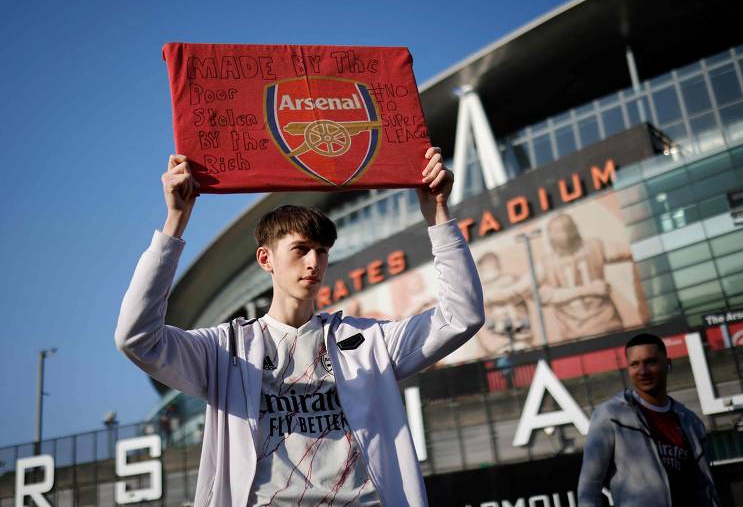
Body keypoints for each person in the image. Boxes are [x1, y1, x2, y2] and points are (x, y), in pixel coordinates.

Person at [115, 147, 484, 506]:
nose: (314, 263)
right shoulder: (224, 349)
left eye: (322, 251)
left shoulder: (367, 342)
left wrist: (438, 215)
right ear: (266, 258)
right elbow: (137, 338)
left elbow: (460, 316)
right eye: (301, 249)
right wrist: (174, 223)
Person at [577, 333, 721, 506]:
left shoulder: (691, 422)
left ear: (668, 364)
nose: (642, 371)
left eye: (650, 362)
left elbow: (705, 487)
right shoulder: (610, 415)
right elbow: (589, 487)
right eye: (634, 364)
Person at [540, 213, 633, 341]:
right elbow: (544, 296)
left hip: (608, 326)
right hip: (574, 335)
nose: (563, 235)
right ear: (549, 236)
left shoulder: (594, 247)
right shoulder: (546, 264)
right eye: (557, 231)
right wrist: (589, 289)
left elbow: (630, 251)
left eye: (565, 229)